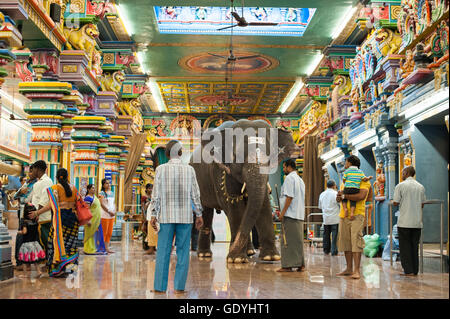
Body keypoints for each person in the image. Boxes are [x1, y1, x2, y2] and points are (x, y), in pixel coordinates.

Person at [149, 140, 203, 294]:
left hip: (166, 217)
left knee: (163, 251)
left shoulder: (160, 169)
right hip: (185, 217)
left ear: (166, 154)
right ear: (181, 153)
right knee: (183, 252)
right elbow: (195, 195)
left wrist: (153, 214)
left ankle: (159, 287)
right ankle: (179, 287)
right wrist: (199, 214)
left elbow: (156, 195)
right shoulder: (190, 170)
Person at [336, 155, 372, 280]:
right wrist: (339, 197)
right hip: (343, 215)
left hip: (356, 214)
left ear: (350, 163)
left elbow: (361, 196)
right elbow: (341, 196)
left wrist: (345, 197)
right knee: (346, 242)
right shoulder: (345, 179)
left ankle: (356, 270)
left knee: (356, 242)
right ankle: (348, 268)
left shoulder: (363, 180)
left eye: (345, 162)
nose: (344, 164)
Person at [392, 166, 426, 276]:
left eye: (402, 172)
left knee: (405, 247)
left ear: (406, 173)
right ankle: (415, 270)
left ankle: (408, 270)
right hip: (416, 222)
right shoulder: (420, 187)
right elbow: (422, 204)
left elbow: (396, 202)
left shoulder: (400, 186)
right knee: (414, 246)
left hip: (404, 221)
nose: (402, 174)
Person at [46, 168, 80, 277]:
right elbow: (78, 203)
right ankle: (70, 268)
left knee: (55, 242)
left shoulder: (55, 188)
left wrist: (37, 213)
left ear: (56, 177)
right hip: (73, 220)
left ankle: (58, 269)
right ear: (67, 177)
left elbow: (51, 205)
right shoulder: (74, 189)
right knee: (71, 244)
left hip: (60, 220)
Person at [277, 159, 306, 273]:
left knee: (287, 241)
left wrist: (282, 213)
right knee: (298, 241)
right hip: (298, 214)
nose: (284, 170)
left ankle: (287, 266)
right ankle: (300, 265)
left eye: (284, 167)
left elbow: (289, 197)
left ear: (289, 167)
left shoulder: (289, 178)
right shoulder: (300, 180)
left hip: (290, 214)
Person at [28, 160, 53, 267]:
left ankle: (50, 262)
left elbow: (44, 200)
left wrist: (37, 213)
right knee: (41, 240)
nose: (32, 172)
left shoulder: (46, 181)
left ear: (37, 169)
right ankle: (44, 261)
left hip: (43, 217)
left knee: (46, 240)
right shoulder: (38, 182)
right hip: (39, 215)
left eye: (32, 169)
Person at [16, 203, 46, 272]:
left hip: (26, 244)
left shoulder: (25, 222)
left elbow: (24, 232)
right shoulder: (36, 222)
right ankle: (39, 271)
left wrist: (19, 232)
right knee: (36, 261)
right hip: (35, 243)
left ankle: (25, 274)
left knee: (24, 260)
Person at [318, 179, 340, 256]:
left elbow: (320, 207)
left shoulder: (322, 194)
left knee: (326, 235)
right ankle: (334, 251)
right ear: (334, 186)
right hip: (335, 218)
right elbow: (339, 205)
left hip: (326, 218)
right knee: (334, 236)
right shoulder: (336, 194)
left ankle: (326, 250)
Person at [84, 184, 107, 255]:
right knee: (90, 235)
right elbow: (86, 210)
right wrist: (88, 220)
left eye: (94, 188)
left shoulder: (94, 197)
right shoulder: (87, 198)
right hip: (91, 220)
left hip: (96, 220)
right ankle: (89, 249)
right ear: (88, 189)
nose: (94, 189)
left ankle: (97, 249)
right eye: (92, 188)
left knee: (98, 234)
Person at [99, 178, 116, 254]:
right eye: (106, 183)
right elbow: (102, 204)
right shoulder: (102, 193)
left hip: (111, 216)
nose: (108, 185)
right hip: (104, 215)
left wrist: (114, 210)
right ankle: (101, 248)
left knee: (109, 232)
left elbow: (113, 203)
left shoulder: (112, 193)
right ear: (103, 185)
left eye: (109, 183)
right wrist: (109, 211)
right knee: (104, 233)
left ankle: (107, 248)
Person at [142, 183, 157, 255]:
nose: (151, 190)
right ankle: (149, 248)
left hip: (153, 217)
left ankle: (152, 248)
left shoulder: (154, 196)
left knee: (153, 233)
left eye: (152, 188)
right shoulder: (145, 197)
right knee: (149, 233)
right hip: (149, 216)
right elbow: (143, 208)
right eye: (149, 188)